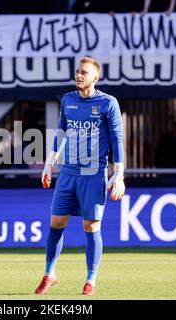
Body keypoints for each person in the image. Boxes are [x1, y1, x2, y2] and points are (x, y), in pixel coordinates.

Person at [35, 57, 125, 296]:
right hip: (68, 173)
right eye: (78, 71)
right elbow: (60, 133)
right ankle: (49, 274)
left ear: (95, 78)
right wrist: (48, 165)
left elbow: (117, 140)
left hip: (94, 175)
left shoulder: (108, 103)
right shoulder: (68, 100)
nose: (79, 75)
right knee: (56, 223)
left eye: (84, 72)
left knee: (91, 226)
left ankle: (90, 280)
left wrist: (119, 175)